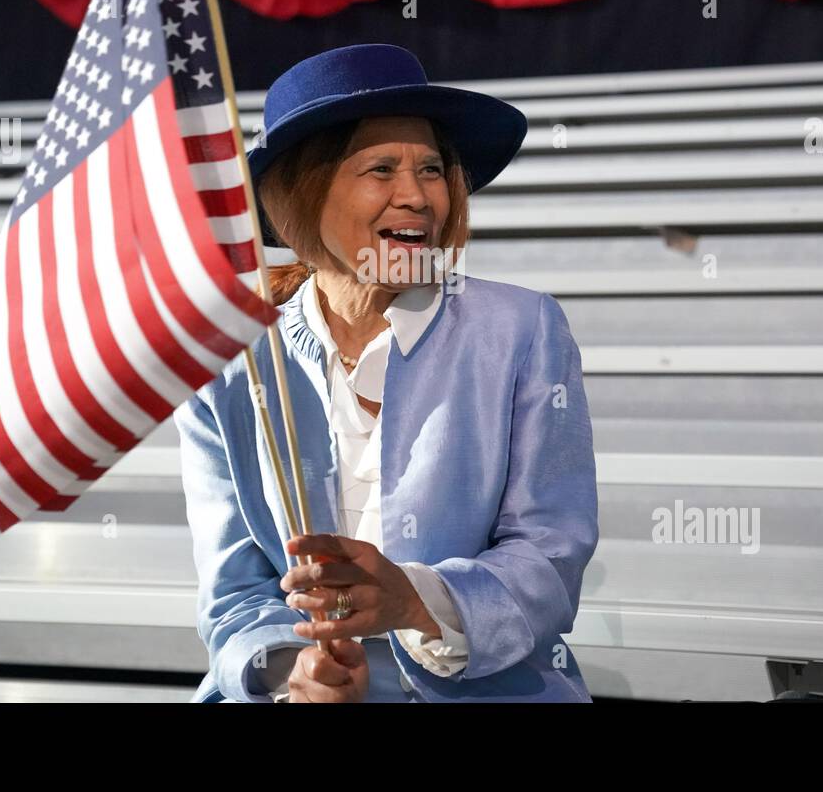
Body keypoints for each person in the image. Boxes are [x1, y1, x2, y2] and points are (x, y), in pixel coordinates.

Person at [175, 43, 599, 702]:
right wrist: (295, 673)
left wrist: (413, 600)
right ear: (299, 195)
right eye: (380, 169)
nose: (417, 196)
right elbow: (234, 594)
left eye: (431, 169)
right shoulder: (229, 361)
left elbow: (549, 555)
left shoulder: (521, 329)